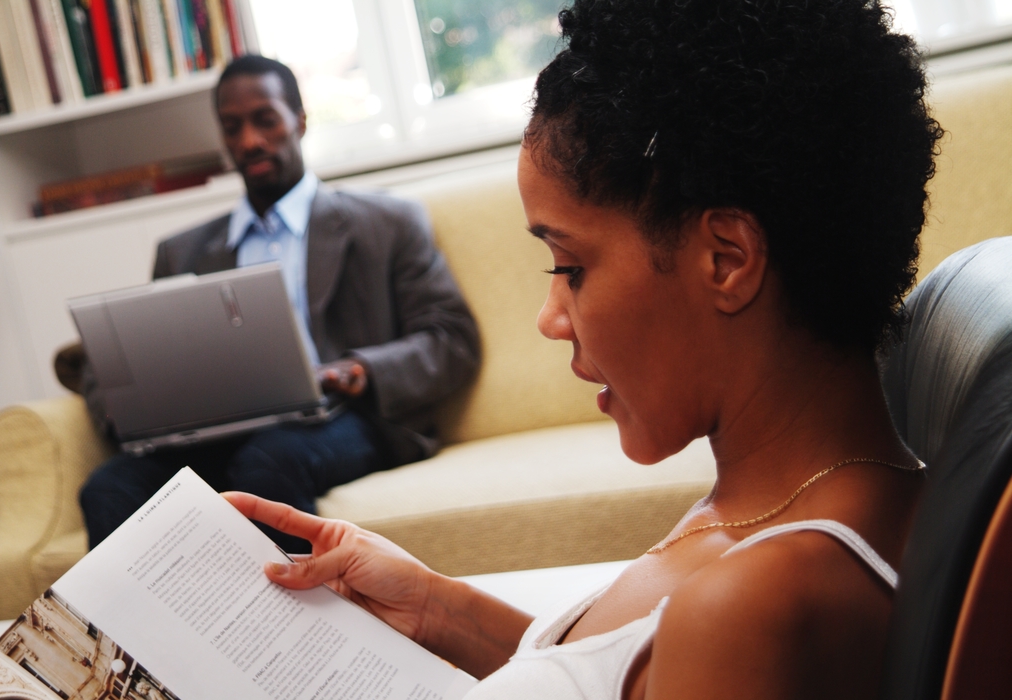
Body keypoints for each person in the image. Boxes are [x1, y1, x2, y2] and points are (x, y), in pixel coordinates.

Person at [225, 0, 943, 697]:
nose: (551, 317)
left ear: (726, 260)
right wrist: (435, 608)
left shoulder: (746, 605)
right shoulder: (810, 504)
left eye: (570, 267)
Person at [79, 55, 480, 553]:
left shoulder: (386, 223)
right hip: (216, 433)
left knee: (267, 461)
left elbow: (452, 339)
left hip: (342, 419)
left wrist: (358, 370)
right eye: (232, 127)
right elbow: (121, 364)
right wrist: (131, 409)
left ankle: (299, 630)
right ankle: (136, 634)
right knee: (109, 486)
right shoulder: (181, 252)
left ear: (300, 121)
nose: (249, 140)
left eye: (265, 119)